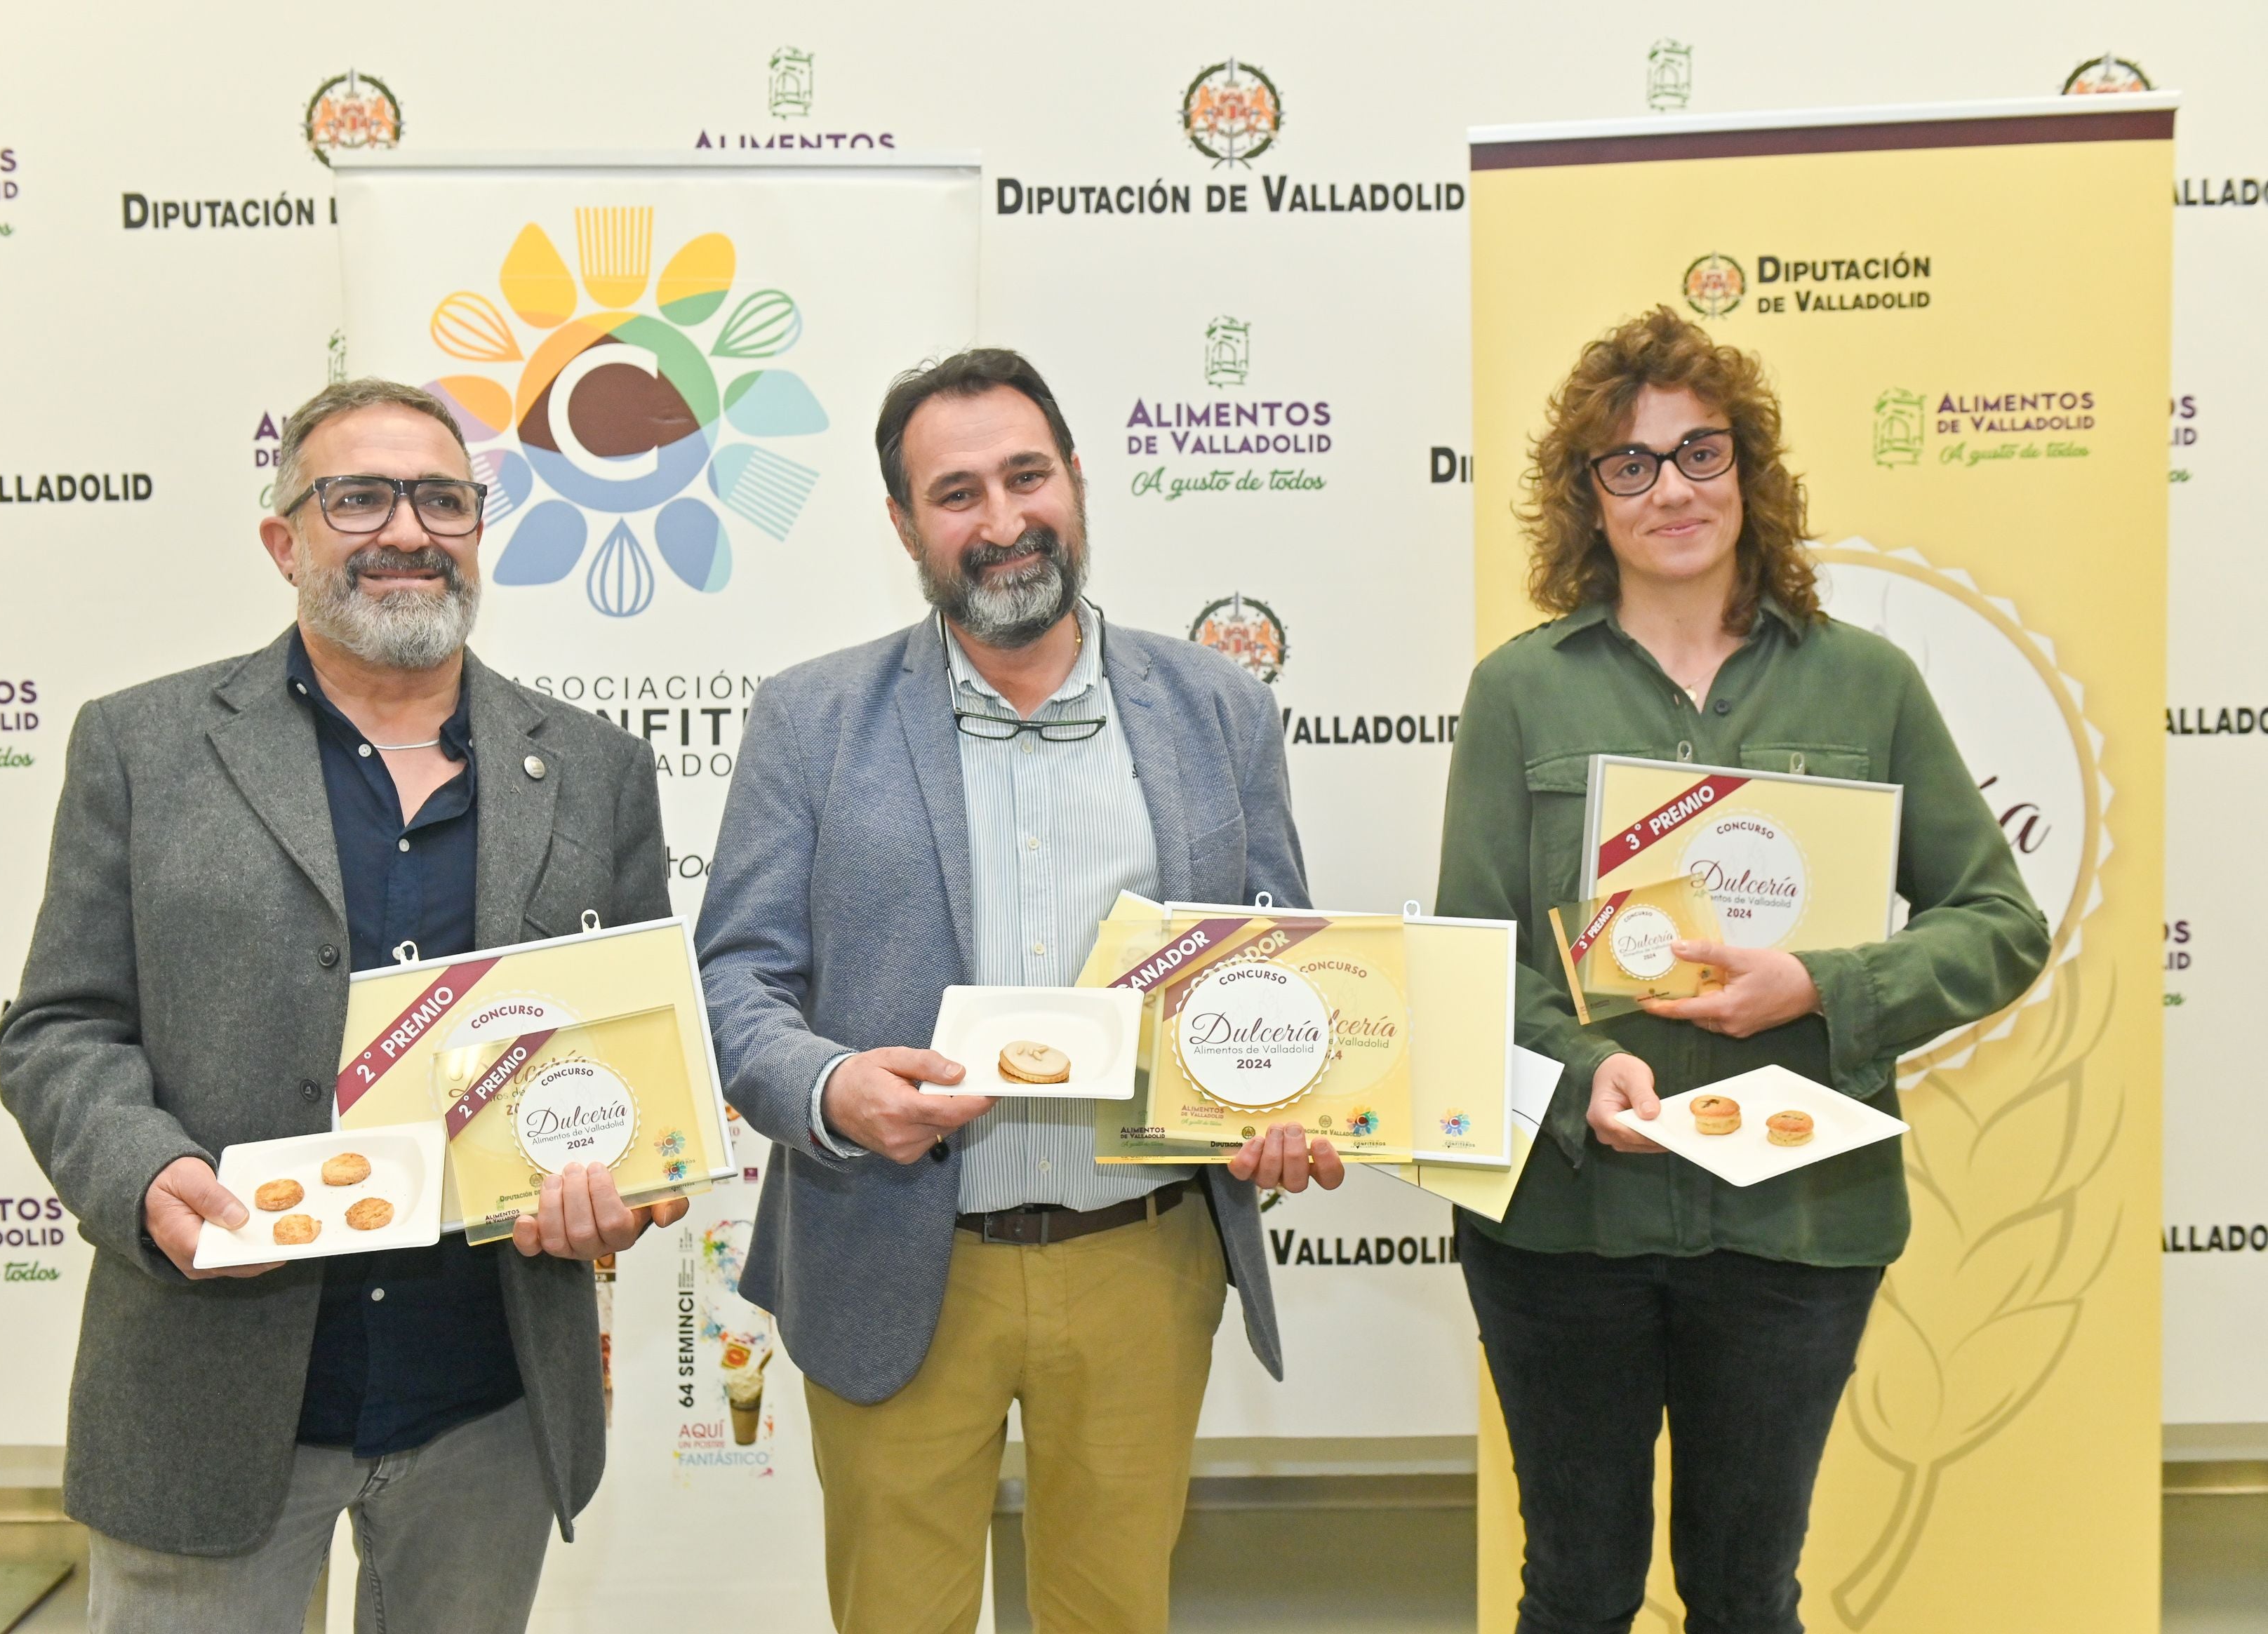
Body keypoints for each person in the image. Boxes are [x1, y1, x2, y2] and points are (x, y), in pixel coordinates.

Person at [0, 377, 683, 1633]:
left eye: (442, 499)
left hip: (487, 1398)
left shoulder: (596, 771)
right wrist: (145, 1172)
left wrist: (620, 1189)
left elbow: (630, 1061)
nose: (407, 530)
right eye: (358, 497)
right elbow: (61, 1026)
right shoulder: (142, 747)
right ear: (285, 540)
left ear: (479, 532)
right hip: (209, 1388)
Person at [697, 348, 1345, 1634]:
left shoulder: (1217, 707)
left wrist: (1287, 1098)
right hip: (891, 1248)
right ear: (902, 524)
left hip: (1142, 1259)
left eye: (1026, 475)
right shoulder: (812, 719)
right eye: (957, 493)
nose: (1002, 521)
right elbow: (736, 980)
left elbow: (1280, 964)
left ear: (1077, 481)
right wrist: (830, 1085)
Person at [1434, 307, 2050, 1634]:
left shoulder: (1867, 684)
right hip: (1564, 1223)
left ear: (1748, 471)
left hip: (1796, 1226)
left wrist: (1822, 982)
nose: (1671, 489)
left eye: (1699, 452)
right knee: (1578, 1588)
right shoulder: (1520, 695)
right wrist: (1585, 1071)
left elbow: (2000, 922)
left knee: (1746, 1593)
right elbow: (1475, 959)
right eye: (1631, 463)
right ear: (1587, 501)